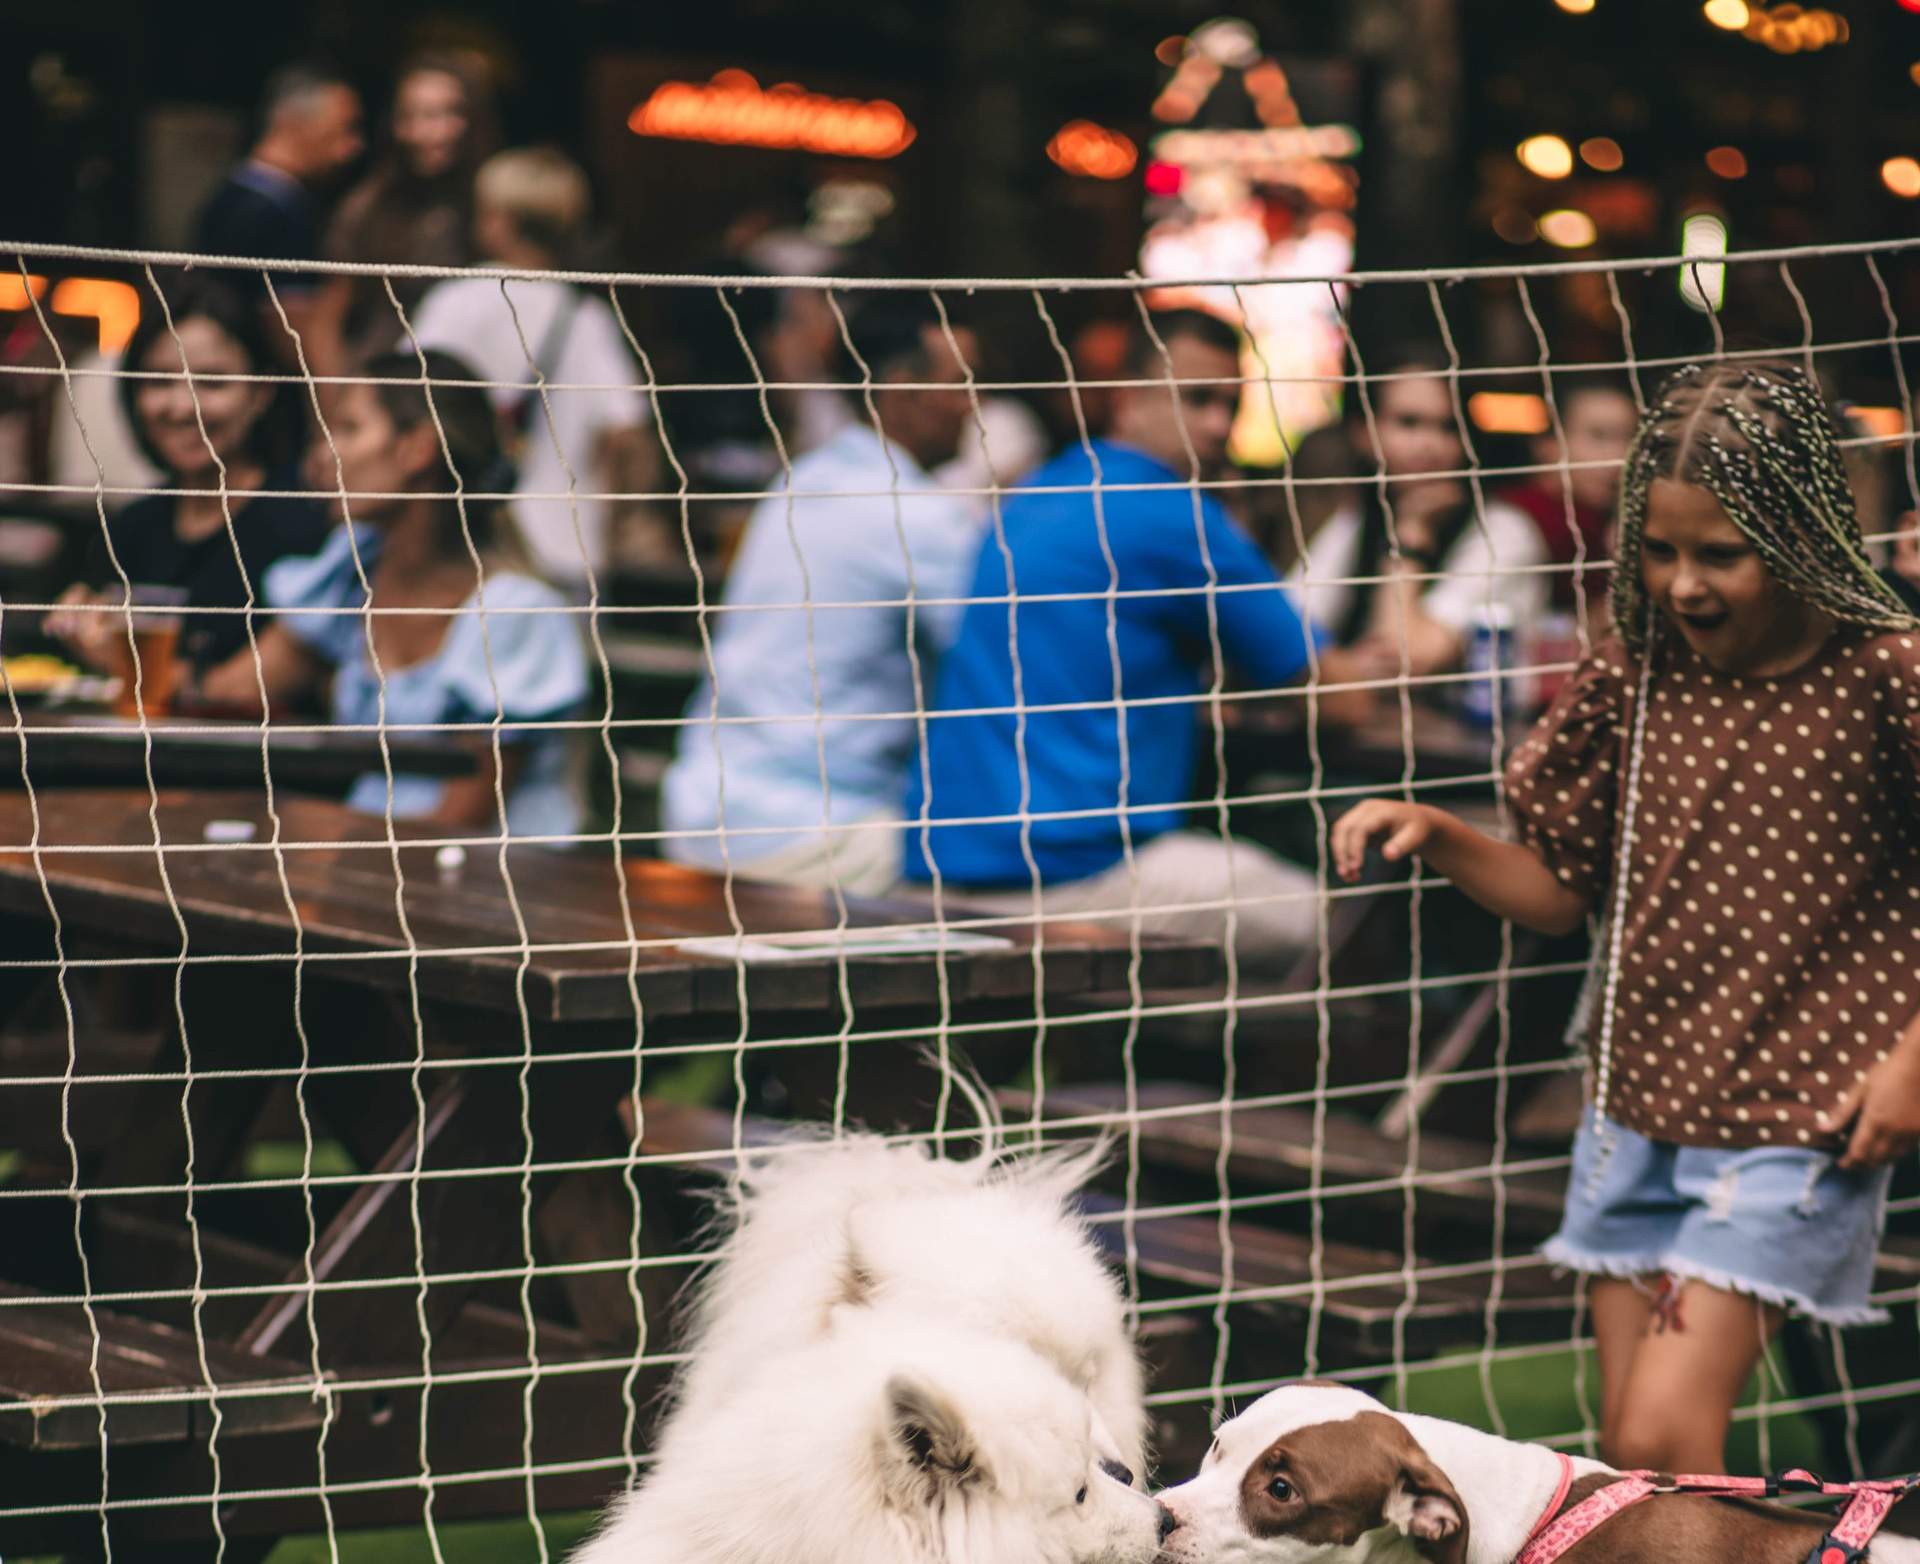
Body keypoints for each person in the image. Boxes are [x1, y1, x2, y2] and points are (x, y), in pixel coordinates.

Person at [1329, 358, 1920, 1564]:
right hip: (1639, 1109)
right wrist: (1444, 837)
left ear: (1802, 538)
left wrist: (1912, 1055)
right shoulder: (1639, 680)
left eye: (1720, 552)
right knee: (1634, 1472)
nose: (1682, 582)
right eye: (1656, 550)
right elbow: (1558, 888)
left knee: (1672, 1437)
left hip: (1797, 1117)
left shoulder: (1888, 676)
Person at [902, 306, 1328, 960]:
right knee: (1347, 924)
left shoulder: (1042, 486)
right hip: (1064, 878)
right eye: (1198, 400)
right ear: (1129, 399)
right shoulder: (1171, 511)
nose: (1220, 425)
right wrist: (1409, 552)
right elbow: (1334, 694)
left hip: (943, 863)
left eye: (1232, 404)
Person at [659, 294, 981, 893]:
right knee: (1004, 873)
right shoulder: (916, 514)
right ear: (902, 391)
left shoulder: (800, 478)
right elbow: (1000, 657)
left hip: (704, 805)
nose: (973, 407)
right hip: (815, 831)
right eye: (959, 385)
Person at [198, 350, 586, 837]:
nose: (323, 454)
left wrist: (316, 842)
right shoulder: (355, 568)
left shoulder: (513, 614)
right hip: (369, 850)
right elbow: (234, 691)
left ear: (416, 450)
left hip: (482, 869)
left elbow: (462, 820)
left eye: (349, 429)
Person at [404, 148, 673, 597]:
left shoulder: (456, 302)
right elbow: (624, 433)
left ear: (499, 221)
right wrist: (614, 520)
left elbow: (404, 394)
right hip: (569, 547)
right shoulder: (586, 317)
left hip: (469, 546)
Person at [46, 279, 326, 690]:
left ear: (261, 394)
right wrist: (78, 624)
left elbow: (250, 691)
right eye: (159, 381)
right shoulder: (132, 528)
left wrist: (120, 660)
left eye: (212, 382)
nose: (181, 407)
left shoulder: (302, 527)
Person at [1289, 353, 1549, 701]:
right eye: (1409, 423)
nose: (1429, 445)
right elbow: (1288, 631)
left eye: (1449, 427)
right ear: (1364, 434)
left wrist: (1411, 538)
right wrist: (1347, 668)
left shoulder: (1504, 532)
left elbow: (1404, 659)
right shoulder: (1360, 516)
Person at [302, 54, 497, 385]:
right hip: (381, 384)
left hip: (471, 386)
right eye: (410, 116)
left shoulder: (494, 202)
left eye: (443, 114)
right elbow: (326, 322)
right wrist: (332, 407)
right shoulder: (369, 206)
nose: (424, 132)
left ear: (473, 119)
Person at [193, 66, 365, 348]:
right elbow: (294, 333)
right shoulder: (282, 208)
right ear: (292, 124)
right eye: (344, 130)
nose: (352, 147)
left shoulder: (228, 192)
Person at [1499, 376, 1639, 627]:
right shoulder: (1512, 525)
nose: (1619, 457)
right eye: (1599, 436)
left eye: (1629, 439)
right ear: (1548, 444)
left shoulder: (1606, 523)